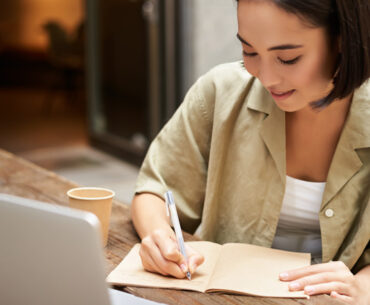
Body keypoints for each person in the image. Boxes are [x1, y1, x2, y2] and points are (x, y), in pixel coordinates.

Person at [131, 0, 370, 304]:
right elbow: (154, 189)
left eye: (288, 58)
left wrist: (364, 285)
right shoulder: (221, 92)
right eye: (250, 51)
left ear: (341, 40)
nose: (266, 77)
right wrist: (158, 238)